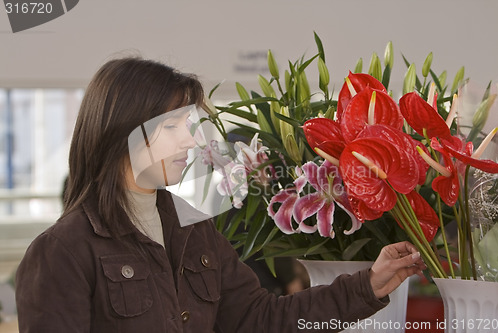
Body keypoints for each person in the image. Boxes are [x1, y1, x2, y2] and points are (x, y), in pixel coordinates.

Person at [15, 57, 426, 333]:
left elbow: (263, 319)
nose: (191, 143)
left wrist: (368, 285)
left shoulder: (194, 228)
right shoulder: (62, 251)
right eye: (174, 127)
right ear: (128, 128)